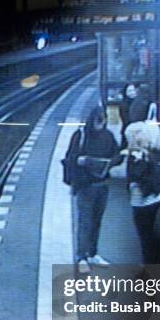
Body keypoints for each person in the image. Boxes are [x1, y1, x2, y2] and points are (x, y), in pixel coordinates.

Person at [63, 107, 123, 273]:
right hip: (85, 185)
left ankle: (92, 253)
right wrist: (80, 160)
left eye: (103, 121)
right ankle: (81, 256)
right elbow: (70, 158)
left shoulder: (108, 136)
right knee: (85, 222)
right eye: (98, 120)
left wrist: (112, 162)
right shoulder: (80, 136)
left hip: (102, 185)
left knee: (96, 221)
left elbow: (117, 154)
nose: (101, 124)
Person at [123, 122, 160, 264]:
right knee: (149, 232)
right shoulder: (152, 152)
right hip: (155, 198)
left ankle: (148, 265)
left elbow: (136, 176)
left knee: (144, 234)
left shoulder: (139, 156)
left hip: (142, 201)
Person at [120, 83, 137, 147]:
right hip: (127, 130)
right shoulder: (124, 104)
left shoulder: (138, 102)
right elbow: (126, 119)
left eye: (133, 90)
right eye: (130, 91)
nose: (132, 92)